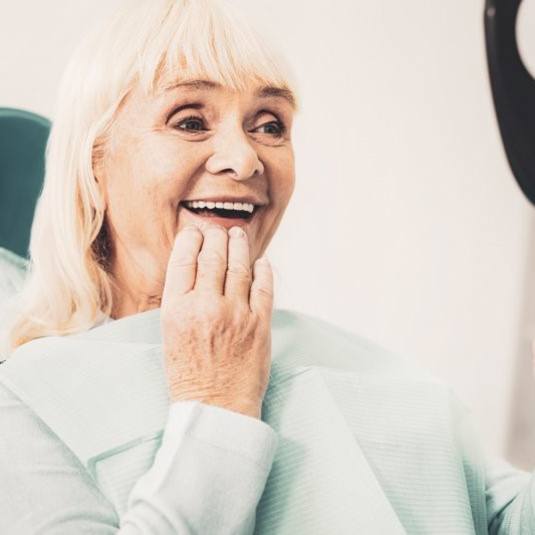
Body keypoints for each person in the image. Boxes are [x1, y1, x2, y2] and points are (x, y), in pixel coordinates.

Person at [0, 0, 534, 533]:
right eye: (190, 121)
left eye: (269, 125)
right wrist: (217, 404)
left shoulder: (370, 369)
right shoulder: (28, 401)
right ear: (93, 164)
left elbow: (505, 511)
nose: (246, 158)